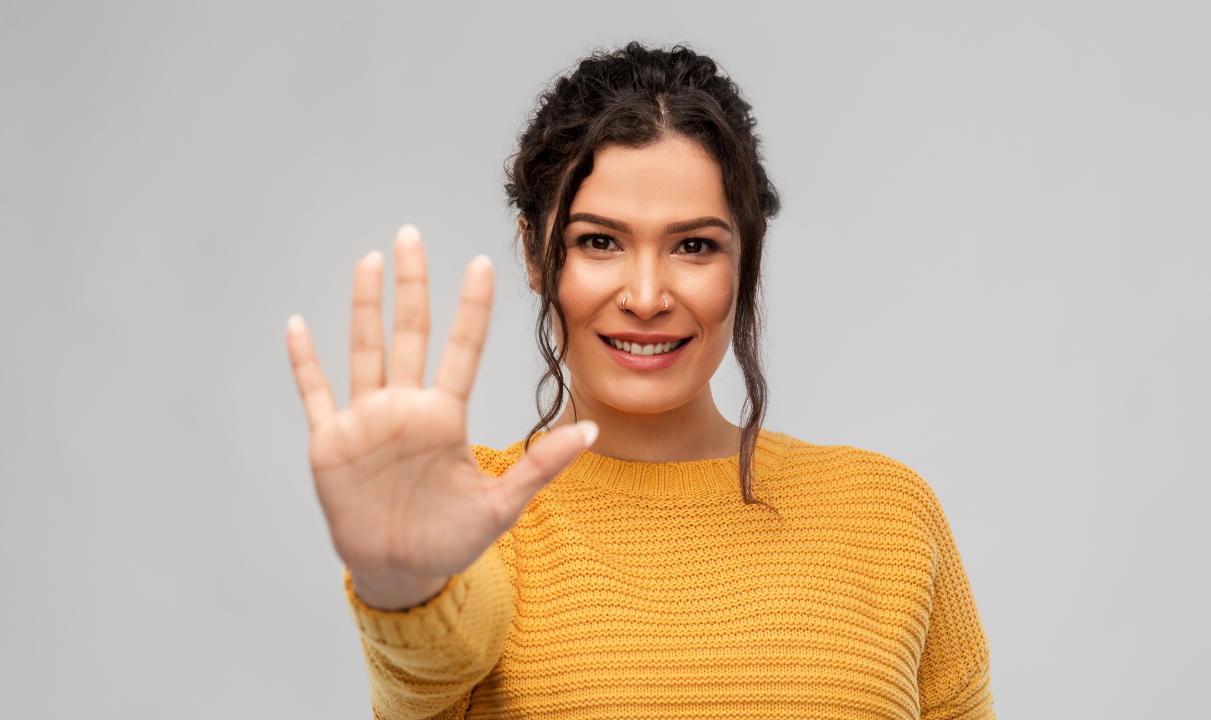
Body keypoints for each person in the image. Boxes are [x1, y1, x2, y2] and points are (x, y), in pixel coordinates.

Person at [286, 43, 995, 720]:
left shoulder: (891, 518)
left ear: (747, 257)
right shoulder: (475, 517)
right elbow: (427, 674)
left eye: (694, 245)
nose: (648, 295)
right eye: (599, 241)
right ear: (534, 253)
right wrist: (405, 588)